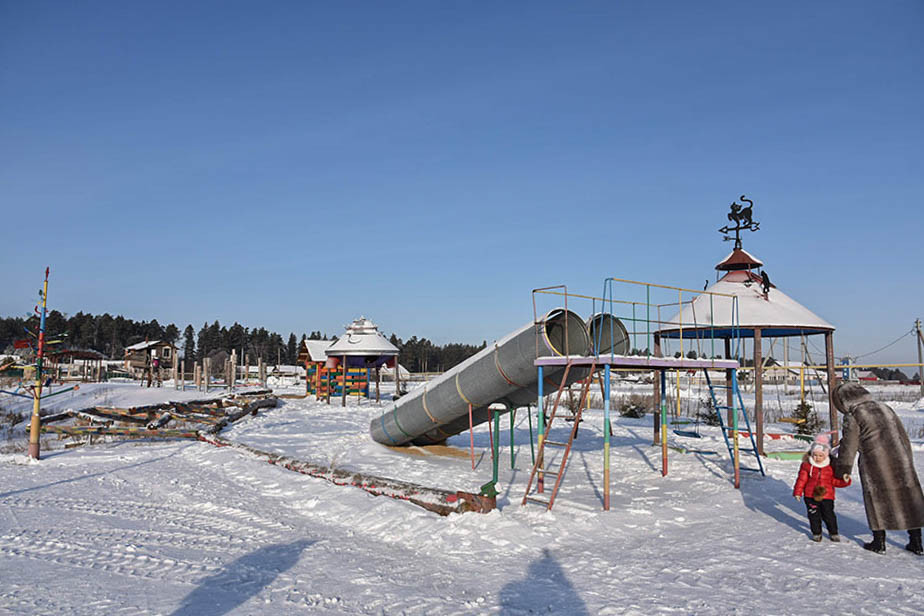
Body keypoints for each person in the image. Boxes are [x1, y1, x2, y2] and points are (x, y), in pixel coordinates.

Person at [833, 382, 924, 555]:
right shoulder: (885, 407)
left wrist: (843, 469)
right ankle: (917, 542)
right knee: (908, 498)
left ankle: (879, 542)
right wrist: (907, 458)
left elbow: (849, 445)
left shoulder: (854, 415)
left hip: (875, 461)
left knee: (876, 498)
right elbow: (902, 434)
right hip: (900, 457)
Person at [793, 434, 850, 542]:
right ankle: (816, 533)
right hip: (810, 495)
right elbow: (801, 479)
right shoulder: (807, 465)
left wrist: (845, 480)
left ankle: (833, 532)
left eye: (820, 455)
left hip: (827, 496)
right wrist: (798, 492)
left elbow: (834, 481)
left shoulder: (830, 466)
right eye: (815, 455)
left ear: (826, 455)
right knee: (814, 515)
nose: (817, 458)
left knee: (829, 515)